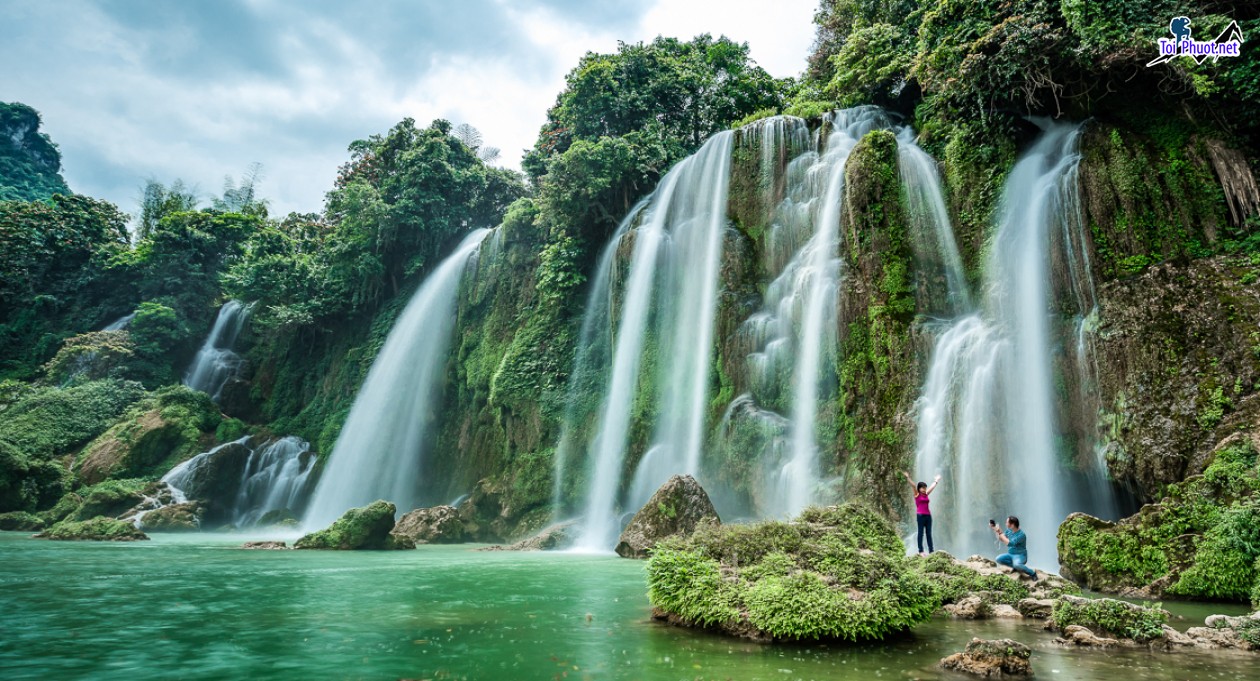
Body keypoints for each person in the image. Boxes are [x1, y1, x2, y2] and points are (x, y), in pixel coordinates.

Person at [902, 471, 941, 556]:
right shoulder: (917, 495)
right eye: (922, 488)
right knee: (920, 533)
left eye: (925, 488)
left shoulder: (926, 494)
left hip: (928, 516)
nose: (924, 489)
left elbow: (932, 487)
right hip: (920, 516)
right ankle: (921, 551)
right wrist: (908, 478)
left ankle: (931, 551)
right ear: (919, 489)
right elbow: (913, 485)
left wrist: (936, 480)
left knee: (929, 534)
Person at [991, 515, 1037, 580]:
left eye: (1007, 522)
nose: (1005, 524)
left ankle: (1033, 573)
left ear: (1012, 525)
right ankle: (1017, 568)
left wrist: (1001, 534)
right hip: (1010, 554)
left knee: (1017, 565)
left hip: (1020, 555)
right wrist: (997, 531)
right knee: (998, 559)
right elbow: (1002, 539)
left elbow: (1009, 543)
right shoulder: (1009, 530)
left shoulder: (1021, 535)